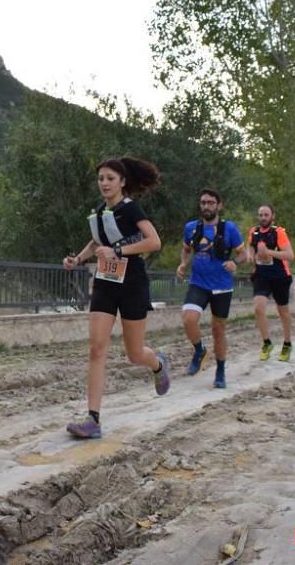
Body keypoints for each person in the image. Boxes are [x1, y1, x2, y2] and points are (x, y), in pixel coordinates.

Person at [63, 157, 168, 439]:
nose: (105, 184)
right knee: (96, 348)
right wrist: (78, 258)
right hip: (106, 283)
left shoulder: (131, 208)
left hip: (132, 283)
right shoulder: (100, 212)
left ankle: (157, 364)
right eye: (101, 179)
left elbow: (153, 242)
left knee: (135, 354)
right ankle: (92, 419)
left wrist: (118, 252)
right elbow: (98, 241)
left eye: (110, 178)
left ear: (122, 182)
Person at [176, 188, 246, 389]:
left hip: (222, 287)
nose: (206, 206)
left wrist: (235, 262)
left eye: (210, 203)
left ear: (219, 205)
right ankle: (200, 351)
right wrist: (183, 264)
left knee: (218, 330)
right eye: (203, 203)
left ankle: (220, 370)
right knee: (188, 319)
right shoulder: (191, 227)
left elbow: (244, 255)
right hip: (198, 283)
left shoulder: (229, 228)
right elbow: (187, 249)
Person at [247, 205, 295, 362]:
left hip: (280, 276)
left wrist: (269, 253)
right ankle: (267, 343)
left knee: (283, 311)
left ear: (272, 216)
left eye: (266, 215)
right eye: (260, 215)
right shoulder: (253, 232)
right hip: (261, 276)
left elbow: (290, 255)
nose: (263, 218)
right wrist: (251, 256)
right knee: (258, 307)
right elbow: (250, 246)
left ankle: (287, 343)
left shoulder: (278, 232)